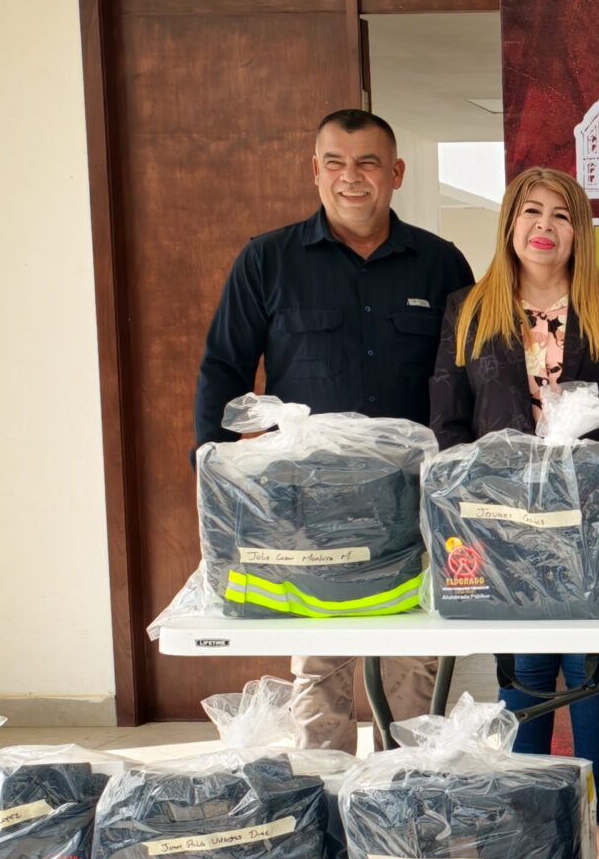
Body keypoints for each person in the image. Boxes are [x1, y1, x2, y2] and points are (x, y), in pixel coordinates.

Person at [194, 109, 475, 752]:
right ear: (315, 172)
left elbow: (466, 380)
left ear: (395, 173)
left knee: (413, 663)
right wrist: (220, 487)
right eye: (336, 163)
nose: (353, 178)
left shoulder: (440, 265)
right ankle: (324, 812)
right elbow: (223, 369)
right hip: (305, 512)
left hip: (408, 504)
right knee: (321, 671)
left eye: (369, 163)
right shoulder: (267, 261)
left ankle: (407, 809)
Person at [430, 166, 599, 787]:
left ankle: (593, 811)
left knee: (591, 670)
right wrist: (476, 501)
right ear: (510, 225)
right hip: (504, 525)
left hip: (595, 523)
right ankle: (535, 817)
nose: (545, 226)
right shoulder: (469, 309)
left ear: (579, 232)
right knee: (527, 669)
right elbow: (448, 420)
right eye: (531, 212)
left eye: (561, 215)